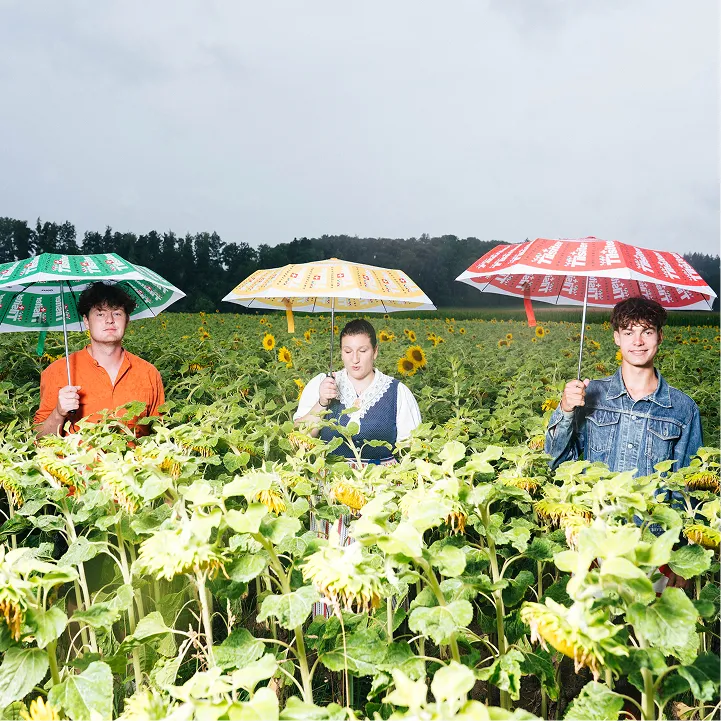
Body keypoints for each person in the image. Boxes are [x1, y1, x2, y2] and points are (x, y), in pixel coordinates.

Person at [545, 297, 703, 589]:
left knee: (647, 618)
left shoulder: (683, 409)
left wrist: (682, 555)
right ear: (617, 337)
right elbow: (558, 463)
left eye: (647, 331)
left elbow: (687, 487)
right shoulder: (590, 395)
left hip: (654, 547)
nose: (638, 341)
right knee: (595, 616)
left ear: (660, 337)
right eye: (629, 332)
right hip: (595, 539)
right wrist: (565, 410)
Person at [34, 282, 165, 437]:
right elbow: (39, 438)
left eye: (117, 313)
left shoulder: (148, 373)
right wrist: (58, 413)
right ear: (86, 321)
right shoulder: (58, 371)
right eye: (100, 314)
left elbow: (161, 433)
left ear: (127, 320)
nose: (109, 320)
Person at [294, 318, 421, 464]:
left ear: (375, 351)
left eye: (362, 351)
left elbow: (412, 451)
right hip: (331, 476)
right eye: (348, 351)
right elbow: (299, 440)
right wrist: (322, 403)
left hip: (382, 477)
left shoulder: (397, 392)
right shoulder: (322, 383)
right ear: (341, 352)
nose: (355, 359)